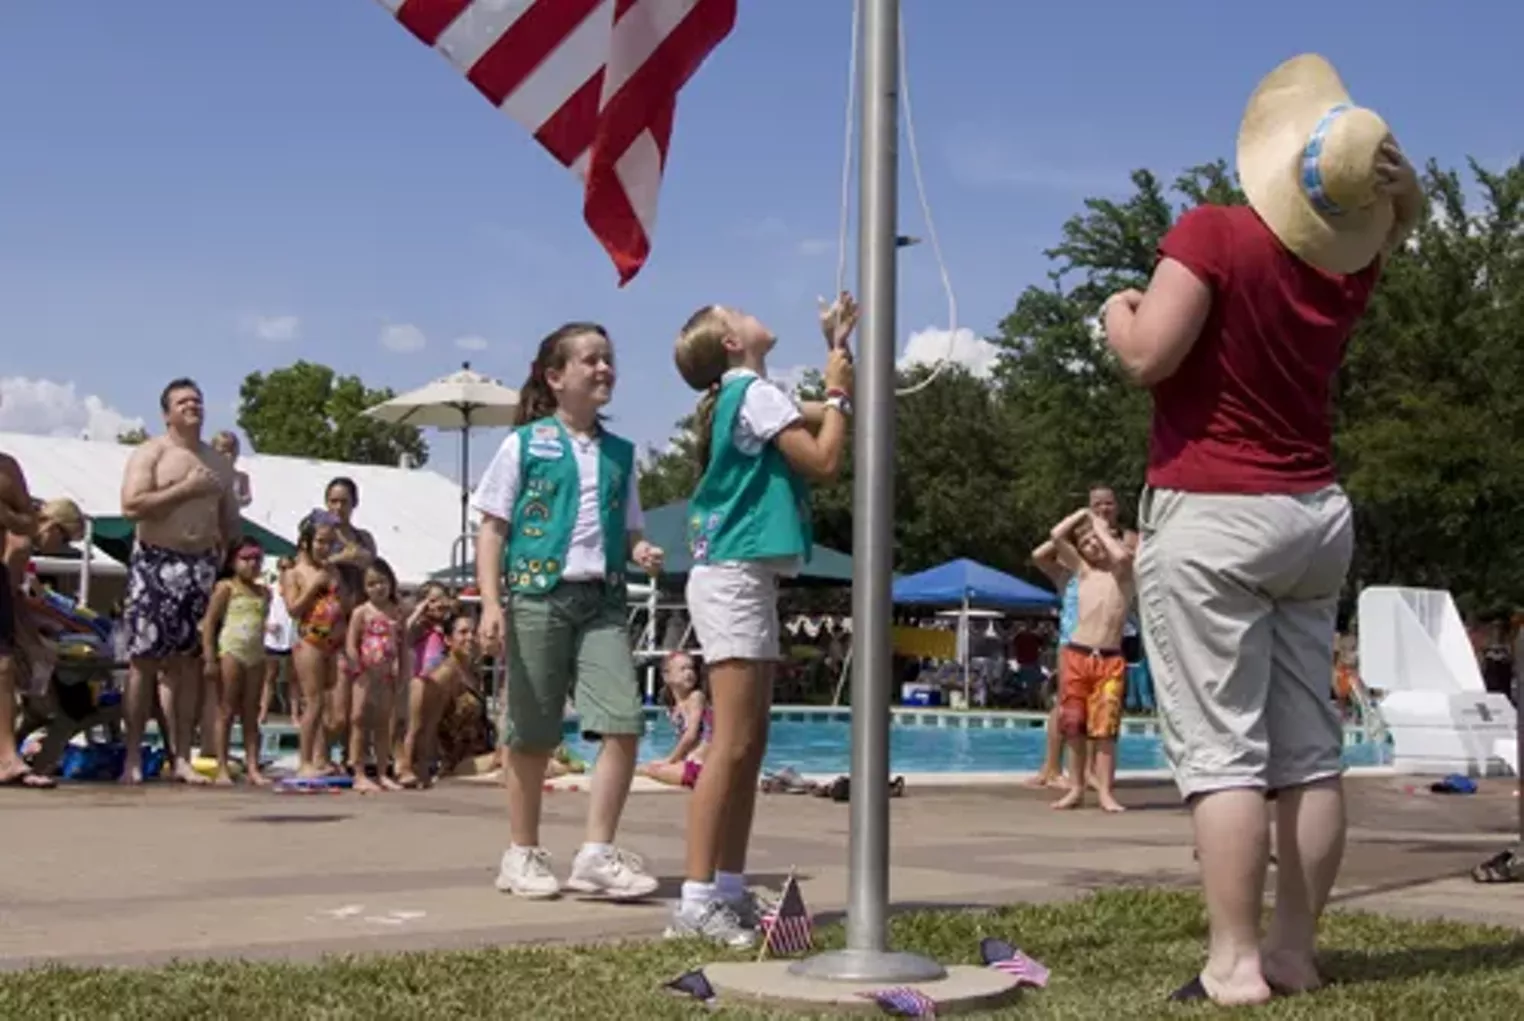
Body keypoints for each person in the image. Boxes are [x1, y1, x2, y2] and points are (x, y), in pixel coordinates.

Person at [1101, 54, 1423, 1006]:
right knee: (1309, 753)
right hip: (1313, 514)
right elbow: (1395, 226)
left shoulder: (1212, 233)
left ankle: (1234, 962)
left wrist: (1116, 310)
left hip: (1214, 514)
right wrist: (1402, 197)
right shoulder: (1349, 269)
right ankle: (1293, 951)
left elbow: (1150, 354)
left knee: (1225, 755)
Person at [665, 294, 856, 947]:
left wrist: (838, 353)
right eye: (737, 312)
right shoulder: (751, 393)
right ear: (730, 344)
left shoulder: (751, 396)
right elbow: (825, 459)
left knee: (749, 745)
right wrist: (839, 389)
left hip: (742, 575)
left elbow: (827, 410)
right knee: (731, 744)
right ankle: (697, 899)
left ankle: (727, 888)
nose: (752, 312)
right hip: (734, 574)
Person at [473, 322, 665, 900]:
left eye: (608, 359)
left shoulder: (621, 455)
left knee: (623, 721)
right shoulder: (525, 444)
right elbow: (492, 528)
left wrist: (641, 550)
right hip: (537, 597)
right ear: (555, 378)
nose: (605, 368)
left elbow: (630, 529)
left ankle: (596, 854)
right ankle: (522, 853)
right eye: (590, 360)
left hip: (602, 600)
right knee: (532, 731)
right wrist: (491, 603)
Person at [119, 378, 239, 785]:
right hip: (155, 561)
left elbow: (230, 520)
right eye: (183, 401)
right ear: (166, 413)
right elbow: (131, 506)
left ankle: (183, 756)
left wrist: (228, 560)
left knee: (189, 665)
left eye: (197, 400)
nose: (193, 406)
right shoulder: (151, 452)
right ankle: (132, 756)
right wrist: (186, 489)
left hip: (200, 565)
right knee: (143, 661)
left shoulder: (217, 462)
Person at [1027, 485, 1135, 789]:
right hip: (1073, 640)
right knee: (1067, 704)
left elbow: (1127, 556)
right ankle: (1053, 768)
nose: (1103, 508)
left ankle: (1088, 772)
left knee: (1099, 709)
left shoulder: (1123, 544)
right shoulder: (1076, 566)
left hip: (1105, 642)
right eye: (1096, 504)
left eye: (1108, 503)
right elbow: (1043, 551)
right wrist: (1083, 523)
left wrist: (1102, 532)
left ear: (1117, 506)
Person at [0, 456, 84, 788]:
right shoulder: (21, 549)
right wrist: (29, 636)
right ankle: (10, 755)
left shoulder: (7, 470)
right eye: (64, 539)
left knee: (7, 671)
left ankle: (9, 755)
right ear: (53, 527)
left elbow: (23, 522)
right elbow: (14, 595)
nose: (62, 548)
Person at [199, 536, 271, 786]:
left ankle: (252, 765)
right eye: (246, 559)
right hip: (231, 651)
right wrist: (210, 657)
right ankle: (222, 766)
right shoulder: (226, 588)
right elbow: (209, 623)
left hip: (256, 654)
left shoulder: (264, 592)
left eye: (257, 559)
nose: (252, 564)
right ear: (233, 561)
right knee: (226, 709)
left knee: (251, 712)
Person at [282, 510, 346, 778]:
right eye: (320, 541)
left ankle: (321, 757)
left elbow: (341, 604)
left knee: (332, 706)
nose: (325, 548)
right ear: (306, 542)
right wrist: (314, 587)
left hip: (332, 641)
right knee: (314, 702)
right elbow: (293, 609)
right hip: (309, 641)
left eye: (330, 543)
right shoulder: (294, 573)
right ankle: (305, 760)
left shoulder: (332, 570)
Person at [321, 476, 377, 768]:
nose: (338, 507)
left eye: (344, 501)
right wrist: (343, 557)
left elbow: (372, 565)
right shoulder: (320, 535)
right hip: (329, 626)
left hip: (360, 625)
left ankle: (351, 757)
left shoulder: (363, 538)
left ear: (354, 503)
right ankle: (320, 755)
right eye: (333, 501)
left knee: (361, 703)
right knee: (335, 704)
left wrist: (354, 557)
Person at [345, 559, 405, 793]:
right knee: (358, 719)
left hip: (387, 674)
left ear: (390, 582)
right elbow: (351, 643)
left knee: (383, 722)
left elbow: (401, 645)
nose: (378, 588)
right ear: (364, 588)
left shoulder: (397, 612)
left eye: (382, 582)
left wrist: (402, 672)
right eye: (371, 584)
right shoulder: (361, 612)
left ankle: (382, 772)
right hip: (365, 674)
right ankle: (358, 772)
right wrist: (358, 667)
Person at [398, 582, 453, 788]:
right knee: (414, 726)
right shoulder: (420, 625)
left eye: (441, 599)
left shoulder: (443, 626)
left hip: (436, 681)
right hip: (419, 679)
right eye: (433, 600)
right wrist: (419, 610)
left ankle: (423, 767)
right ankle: (405, 766)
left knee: (430, 727)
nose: (438, 604)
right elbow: (403, 631)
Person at [637, 652, 711, 788]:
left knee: (650, 770)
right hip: (693, 762)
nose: (689, 673)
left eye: (691, 668)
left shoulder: (696, 697)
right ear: (666, 676)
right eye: (682, 669)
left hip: (702, 767)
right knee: (647, 767)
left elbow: (691, 735)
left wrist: (670, 760)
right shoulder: (674, 706)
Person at [260, 557, 295, 724]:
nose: (285, 572)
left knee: (293, 679)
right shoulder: (270, 590)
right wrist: (266, 625)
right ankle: (263, 712)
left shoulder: (297, 590)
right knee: (269, 676)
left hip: (292, 637)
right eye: (282, 568)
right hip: (273, 639)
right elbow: (260, 611)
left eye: (288, 568)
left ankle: (294, 714)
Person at [210, 431, 252, 508]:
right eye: (223, 452)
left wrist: (236, 498)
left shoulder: (241, 477)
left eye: (232, 452)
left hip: (231, 513)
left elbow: (247, 498)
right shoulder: (208, 475)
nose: (228, 455)